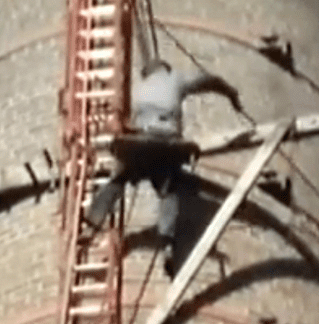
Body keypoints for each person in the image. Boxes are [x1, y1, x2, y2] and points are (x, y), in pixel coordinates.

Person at [86, 59, 244, 277]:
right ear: (165, 69)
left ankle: (92, 221)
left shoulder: (139, 89)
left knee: (118, 179)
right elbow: (208, 81)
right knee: (168, 191)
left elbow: (132, 125)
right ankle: (167, 244)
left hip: (140, 145)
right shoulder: (175, 78)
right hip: (165, 144)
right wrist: (229, 92)